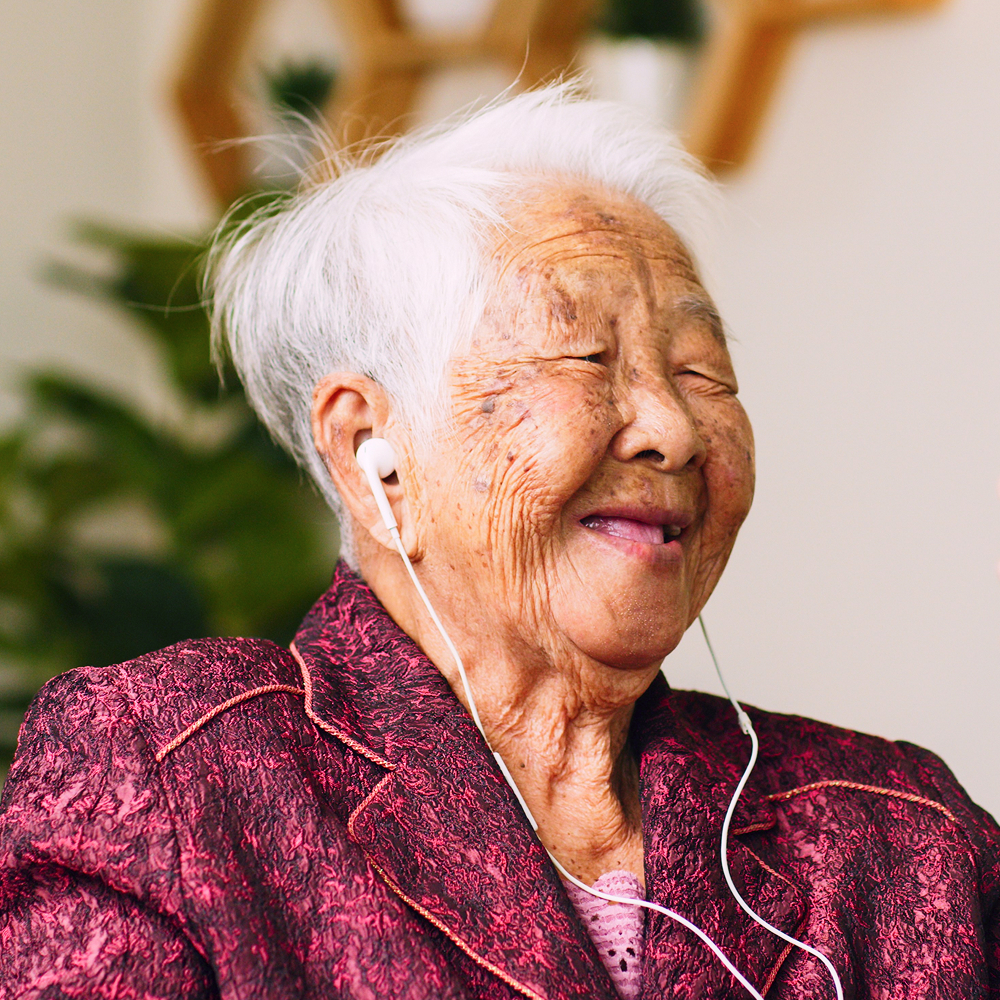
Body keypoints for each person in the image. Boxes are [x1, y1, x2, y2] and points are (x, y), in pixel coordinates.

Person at [1, 86, 998, 1000]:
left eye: (702, 372)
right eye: (585, 356)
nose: (673, 430)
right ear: (372, 450)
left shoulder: (903, 836)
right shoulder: (175, 770)